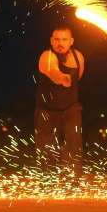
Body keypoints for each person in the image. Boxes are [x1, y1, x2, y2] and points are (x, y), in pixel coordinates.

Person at [34, 25, 85, 178]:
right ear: (51, 40)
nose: (60, 43)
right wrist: (63, 78)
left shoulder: (79, 57)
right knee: (46, 149)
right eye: (56, 39)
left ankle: (73, 179)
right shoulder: (46, 56)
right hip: (47, 110)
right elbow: (53, 72)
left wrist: (69, 80)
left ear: (71, 41)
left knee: (74, 145)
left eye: (64, 39)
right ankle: (47, 181)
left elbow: (79, 76)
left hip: (71, 109)